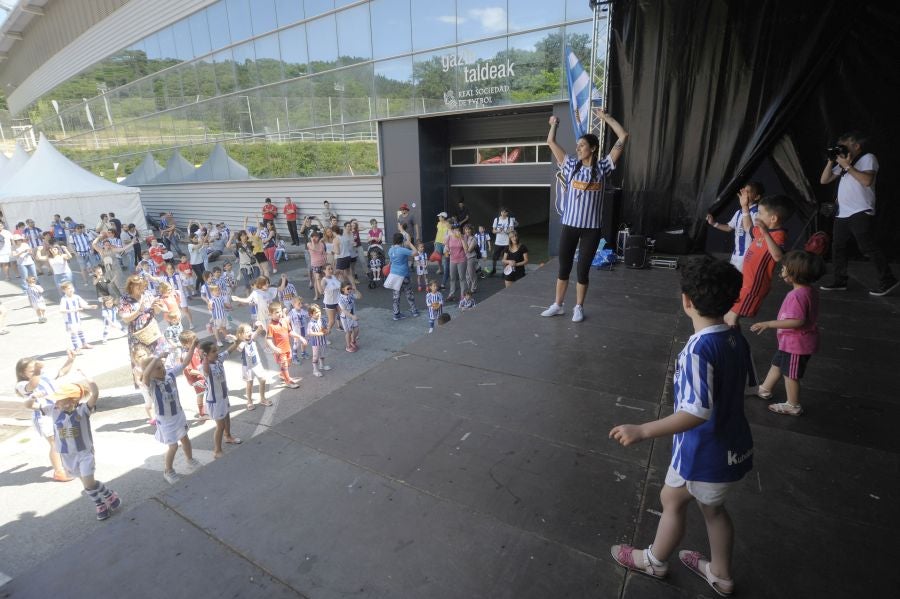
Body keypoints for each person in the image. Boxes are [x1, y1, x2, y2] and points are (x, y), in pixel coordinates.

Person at [609, 256, 753, 597]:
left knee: (672, 500)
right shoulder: (736, 338)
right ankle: (721, 574)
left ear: (687, 300)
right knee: (712, 509)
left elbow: (697, 411)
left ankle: (654, 560)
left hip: (703, 452)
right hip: (733, 446)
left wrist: (643, 430)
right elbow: (747, 385)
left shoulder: (699, 350)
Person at [541, 109, 628, 322]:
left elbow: (623, 136)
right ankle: (558, 305)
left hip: (591, 229)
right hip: (570, 226)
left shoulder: (603, 167)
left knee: (583, 270)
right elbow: (550, 141)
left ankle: (578, 307)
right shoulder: (571, 164)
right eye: (577, 145)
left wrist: (606, 118)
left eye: (582, 145)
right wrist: (554, 124)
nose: (578, 148)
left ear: (593, 148)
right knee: (564, 267)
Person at [819, 131, 898, 296]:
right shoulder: (844, 163)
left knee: (867, 246)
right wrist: (831, 160)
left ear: (856, 146)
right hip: (843, 212)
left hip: (861, 210)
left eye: (845, 147)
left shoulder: (868, 158)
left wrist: (848, 166)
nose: (842, 150)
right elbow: (824, 180)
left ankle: (888, 279)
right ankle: (840, 280)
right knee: (838, 247)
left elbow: (867, 181)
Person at [750, 250, 825, 416]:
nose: (781, 270)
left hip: (796, 345)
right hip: (790, 342)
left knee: (790, 375)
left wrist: (768, 324)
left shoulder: (797, 295)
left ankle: (793, 405)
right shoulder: (809, 290)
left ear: (795, 273)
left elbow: (797, 321)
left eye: (784, 268)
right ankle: (765, 389)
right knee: (777, 364)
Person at [41, 380, 123, 521]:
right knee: (86, 483)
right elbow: (30, 406)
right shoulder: (53, 410)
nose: (56, 402)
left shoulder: (83, 410)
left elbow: (95, 394)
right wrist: (33, 397)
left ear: (70, 401)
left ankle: (109, 495)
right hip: (67, 455)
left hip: (84, 453)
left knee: (89, 483)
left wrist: (89, 380)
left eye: (60, 399)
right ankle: (100, 503)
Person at [724, 195, 793, 327]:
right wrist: (745, 207)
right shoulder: (762, 231)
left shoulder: (779, 234)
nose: (756, 216)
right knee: (730, 319)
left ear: (773, 219)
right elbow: (748, 227)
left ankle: (731, 340)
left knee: (729, 319)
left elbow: (778, 256)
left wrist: (766, 233)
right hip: (746, 284)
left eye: (760, 213)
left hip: (754, 287)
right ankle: (732, 340)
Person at [142, 344, 202, 483]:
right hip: (166, 420)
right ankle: (168, 470)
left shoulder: (170, 375)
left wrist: (193, 346)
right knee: (173, 446)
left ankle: (190, 459)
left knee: (185, 438)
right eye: (157, 368)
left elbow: (185, 362)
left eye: (162, 366)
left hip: (178, 415)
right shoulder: (151, 384)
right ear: (150, 372)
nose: (162, 369)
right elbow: (145, 375)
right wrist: (156, 357)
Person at [15, 353, 77, 482]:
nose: (36, 371)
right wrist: (37, 370)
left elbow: (62, 372)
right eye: (32, 370)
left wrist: (70, 360)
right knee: (55, 442)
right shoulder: (22, 385)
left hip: (57, 412)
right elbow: (33, 385)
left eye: (36, 368)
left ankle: (67, 462)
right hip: (43, 415)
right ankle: (59, 472)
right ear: (22, 373)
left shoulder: (44, 376)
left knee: (65, 438)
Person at [706, 182, 765, 272]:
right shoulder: (739, 212)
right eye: (744, 191)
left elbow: (754, 233)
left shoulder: (757, 213)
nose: (744, 193)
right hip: (735, 255)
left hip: (748, 256)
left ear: (756, 197)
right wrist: (713, 223)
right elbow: (729, 227)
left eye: (748, 192)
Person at [199, 339, 242, 458]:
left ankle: (228, 436)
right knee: (220, 426)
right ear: (206, 355)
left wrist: (237, 342)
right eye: (213, 351)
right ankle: (217, 450)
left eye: (216, 350)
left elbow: (228, 351)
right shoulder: (204, 366)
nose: (216, 352)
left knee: (227, 418)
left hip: (223, 396)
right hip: (215, 401)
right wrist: (204, 358)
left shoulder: (218, 360)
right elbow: (206, 371)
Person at [266, 302, 302, 388]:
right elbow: (268, 339)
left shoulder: (284, 321)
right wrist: (274, 348)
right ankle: (288, 382)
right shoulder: (271, 326)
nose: (279, 314)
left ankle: (282, 375)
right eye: (276, 312)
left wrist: (300, 337)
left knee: (288, 362)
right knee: (285, 365)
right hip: (280, 351)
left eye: (280, 311)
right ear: (270, 314)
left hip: (287, 348)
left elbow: (290, 332)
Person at [234, 323, 270, 410]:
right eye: (247, 332)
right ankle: (249, 401)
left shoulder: (252, 338)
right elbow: (239, 349)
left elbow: (259, 329)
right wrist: (239, 340)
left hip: (257, 364)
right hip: (248, 367)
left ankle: (262, 398)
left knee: (263, 380)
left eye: (250, 331)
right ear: (241, 334)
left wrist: (259, 324)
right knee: (249, 384)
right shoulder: (242, 343)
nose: (250, 333)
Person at [386, 233, 420, 320]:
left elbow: (391, 261)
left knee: (396, 295)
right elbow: (416, 253)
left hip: (394, 274)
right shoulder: (402, 250)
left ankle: (396, 314)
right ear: (402, 240)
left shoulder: (390, 250)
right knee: (409, 293)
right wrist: (410, 244)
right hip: (403, 274)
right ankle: (414, 311)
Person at [59, 282, 96, 353]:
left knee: (80, 331)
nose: (71, 290)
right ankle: (76, 347)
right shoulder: (64, 299)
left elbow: (83, 305)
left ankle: (84, 344)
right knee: (73, 333)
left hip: (77, 319)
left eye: (72, 288)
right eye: (68, 288)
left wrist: (90, 306)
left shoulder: (76, 297)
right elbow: (62, 310)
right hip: (69, 321)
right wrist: (74, 310)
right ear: (64, 291)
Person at [444, 223, 468, 302]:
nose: (457, 231)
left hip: (461, 260)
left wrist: (461, 238)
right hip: (452, 260)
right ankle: (452, 294)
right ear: (453, 230)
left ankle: (463, 295)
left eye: (458, 229)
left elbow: (466, 249)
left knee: (462, 278)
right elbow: (446, 247)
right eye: (455, 229)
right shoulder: (449, 237)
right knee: (452, 278)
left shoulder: (463, 237)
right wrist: (447, 252)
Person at [490, 208, 517, 277]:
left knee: (505, 258)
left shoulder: (509, 219)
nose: (503, 213)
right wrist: (498, 231)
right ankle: (494, 269)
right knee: (494, 257)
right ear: (500, 212)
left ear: (507, 213)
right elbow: (493, 231)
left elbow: (512, 230)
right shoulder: (496, 219)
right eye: (502, 212)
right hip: (498, 242)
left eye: (505, 212)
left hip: (506, 242)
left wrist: (506, 231)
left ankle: (505, 271)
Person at [306, 304, 331, 377]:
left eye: (319, 311)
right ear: (311, 314)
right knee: (315, 356)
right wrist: (319, 333)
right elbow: (310, 333)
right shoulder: (311, 323)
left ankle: (322, 365)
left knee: (322, 354)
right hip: (315, 343)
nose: (318, 313)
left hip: (323, 341)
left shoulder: (322, 319)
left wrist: (328, 330)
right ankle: (315, 370)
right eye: (316, 312)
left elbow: (326, 327)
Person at [337, 282, 360, 352]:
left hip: (353, 315)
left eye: (350, 288)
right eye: (348, 288)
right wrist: (352, 316)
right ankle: (348, 346)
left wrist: (355, 290)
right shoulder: (340, 298)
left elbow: (359, 296)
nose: (350, 290)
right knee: (348, 332)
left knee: (356, 329)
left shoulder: (351, 294)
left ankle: (353, 341)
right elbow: (344, 310)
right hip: (346, 318)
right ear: (343, 289)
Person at [306, 230, 327, 300]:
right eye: (313, 237)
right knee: (317, 279)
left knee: (324, 278)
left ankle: (325, 292)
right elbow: (314, 249)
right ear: (311, 237)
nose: (315, 238)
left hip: (322, 263)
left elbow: (324, 253)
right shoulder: (309, 244)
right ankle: (317, 294)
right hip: (315, 264)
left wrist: (325, 261)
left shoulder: (321, 244)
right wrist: (312, 241)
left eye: (316, 237)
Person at [463, 224, 480, 293]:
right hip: (465, 258)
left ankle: (473, 288)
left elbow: (468, 250)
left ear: (471, 230)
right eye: (466, 229)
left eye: (469, 229)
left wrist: (463, 241)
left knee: (471, 274)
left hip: (471, 258)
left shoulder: (474, 239)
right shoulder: (464, 237)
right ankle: (468, 287)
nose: (467, 231)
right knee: (467, 274)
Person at [434, 212, 450, 280]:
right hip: (438, 242)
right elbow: (438, 232)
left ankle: (447, 270)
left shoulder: (448, 224)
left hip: (445, 243)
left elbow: (449, 233)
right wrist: (435, 241)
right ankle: (440, 269)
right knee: (438, 257)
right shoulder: (438, 223)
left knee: (446, 257)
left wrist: (448, 242)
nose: (439, 217)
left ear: (443, 217)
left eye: (440, 216)